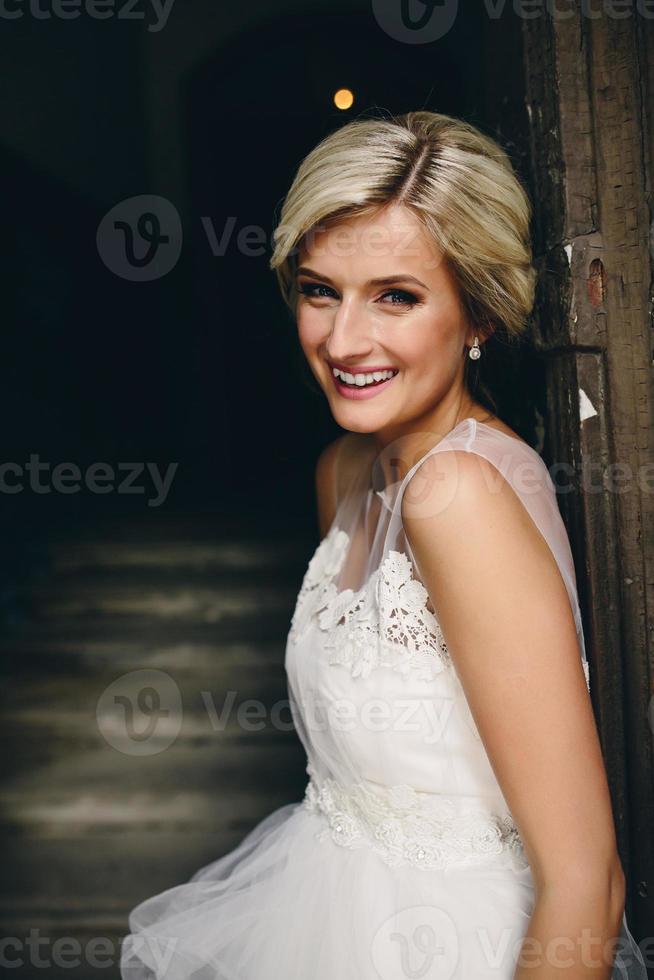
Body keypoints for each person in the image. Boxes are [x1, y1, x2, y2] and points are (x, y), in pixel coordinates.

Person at [120, 110, 648, 979]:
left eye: (396, 296)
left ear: (477, 311)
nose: (343, 340)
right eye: (320, 289)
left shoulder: (457, 496)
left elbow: (587, 883)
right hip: (323, 914)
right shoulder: (347, 470)